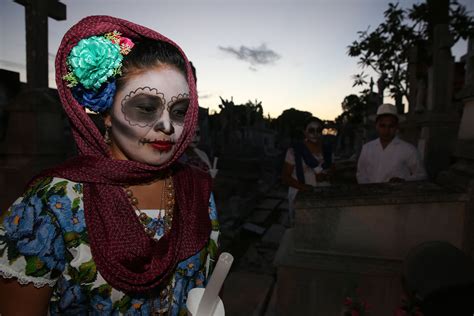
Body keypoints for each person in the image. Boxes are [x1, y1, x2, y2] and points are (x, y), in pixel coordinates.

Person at [0, 16, 219, 315]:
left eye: (180, 111)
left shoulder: (197, 189)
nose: (168, 126)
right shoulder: (51, 204)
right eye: (145, 108)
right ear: (106, 113)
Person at [356, 103, 427, 184]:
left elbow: (421, 175)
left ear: (397, 127)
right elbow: (361, 174)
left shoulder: (408, 150)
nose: (387, 130)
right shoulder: (367, 149)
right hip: (371, 194)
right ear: (376, 126)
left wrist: (404, 181)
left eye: (391, 126)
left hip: (397, 195)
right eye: (383, 126)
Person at [281, 117, 333, 225]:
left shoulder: (327, 151)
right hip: (300, 195)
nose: (315, 134)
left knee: (322, 226)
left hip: (323, 196)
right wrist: (305, 188)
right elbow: (286, 177)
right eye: (311, 130)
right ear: (305, 132)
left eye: (318, 130)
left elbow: (332, 170)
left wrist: (325, 176)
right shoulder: (294, 151)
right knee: (301, 229)